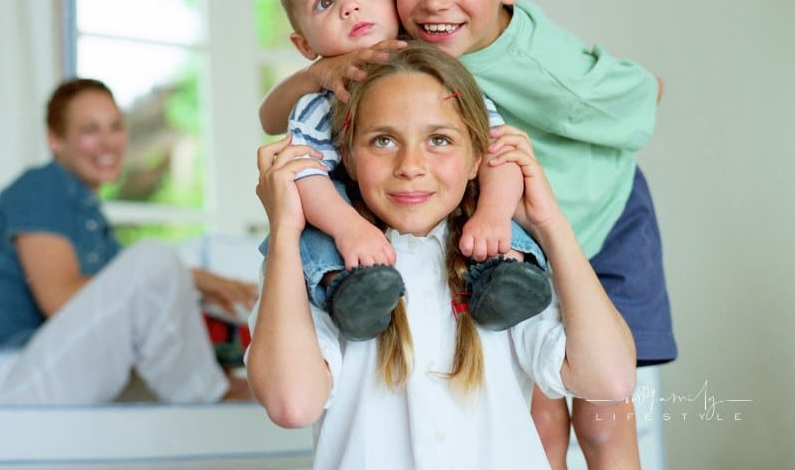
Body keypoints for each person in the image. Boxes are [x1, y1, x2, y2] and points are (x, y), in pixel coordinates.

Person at [259, 0, 678, 467]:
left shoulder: (537, 61)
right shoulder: (399, 41)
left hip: (602, 216)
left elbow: (643, 97)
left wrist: (636, 92)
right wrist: (320, 72)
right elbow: (273, 115)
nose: (434, 0)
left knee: (604, 414)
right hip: (509, 224)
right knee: (538, 411)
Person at [247, 43, 636, 469]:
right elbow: (292, 403)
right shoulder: (315, 266)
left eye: (439, 140)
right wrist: (286, 230)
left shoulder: (506, 262)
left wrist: (550, 223)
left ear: (476, 158)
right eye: (383, 140)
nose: (411, 165)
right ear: (349, 155)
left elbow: (609, 378)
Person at [266, 0, 551, 342]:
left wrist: (491, 213)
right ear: (303, 44)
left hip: (448, 210)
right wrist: (347, 227)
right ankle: (348, 288)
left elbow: (500, 151)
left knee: (502, 197)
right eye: (325, 4)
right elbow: (303, 173)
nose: (351, 6)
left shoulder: (439, 72)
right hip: (351, 215)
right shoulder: (320, 99)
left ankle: (508, 269)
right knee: (309, 218)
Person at [0, 78, 257, 405]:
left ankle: (219, 388)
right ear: (55, 140)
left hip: (25, 365)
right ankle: (213, 394)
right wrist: (194, 277)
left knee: (154, 365)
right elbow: (59, 298)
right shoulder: (41, 188)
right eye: (90, 130)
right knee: (155, 259)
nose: (108, 143)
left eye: (115, 127)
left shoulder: (90, 217)